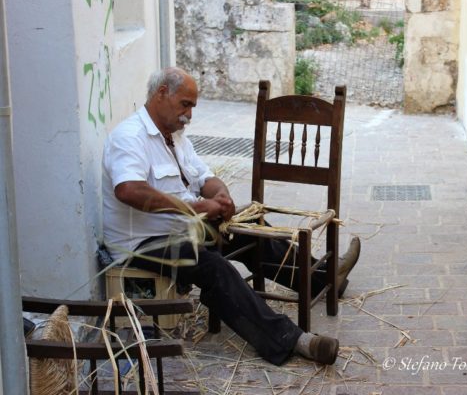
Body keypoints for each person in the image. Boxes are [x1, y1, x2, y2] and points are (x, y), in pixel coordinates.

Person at [102, 67, 360, 366]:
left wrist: (220, 195)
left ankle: (324, 280)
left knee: (252, 228)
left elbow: (205, 177)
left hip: (185, 230)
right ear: (162, 94)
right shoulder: (129, 136)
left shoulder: (175, 138)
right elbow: (129, 191)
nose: (189, 115)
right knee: (214, 267)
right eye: (185, 104)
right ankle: (291, 339)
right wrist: (199, 208)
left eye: (192, 107)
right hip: (142, 243)